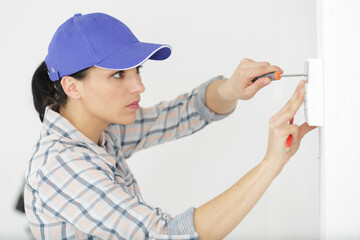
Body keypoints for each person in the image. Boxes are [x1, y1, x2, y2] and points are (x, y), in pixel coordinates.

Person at [24, 12, 317, 240]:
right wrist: (270, 164)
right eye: (118, 75)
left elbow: (181, 114)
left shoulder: (100, 129)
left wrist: (230, 88)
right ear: (72, 87)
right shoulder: (63, 167)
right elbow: (166, 234)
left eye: (136, 70)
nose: (139, 85)